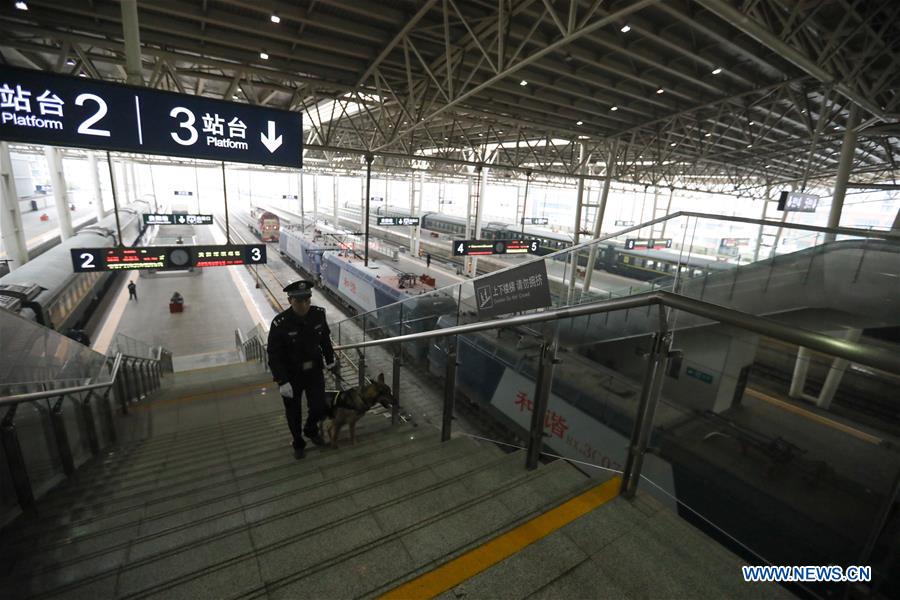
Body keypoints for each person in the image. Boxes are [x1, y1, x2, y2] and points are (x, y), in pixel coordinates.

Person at [267, 280, 336, 459]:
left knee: (319, 406)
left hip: (314, 371)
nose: (304, 305)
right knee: (293, 412)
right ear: (290, 301)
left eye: (307, 300)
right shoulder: (280, 323)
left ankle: (311, 429)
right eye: (299, 301)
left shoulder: (318, 314)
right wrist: (281, 381)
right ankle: (298, 442)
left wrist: (330, 359)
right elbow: (274, 355)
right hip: (291, 376)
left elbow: (325, 339)